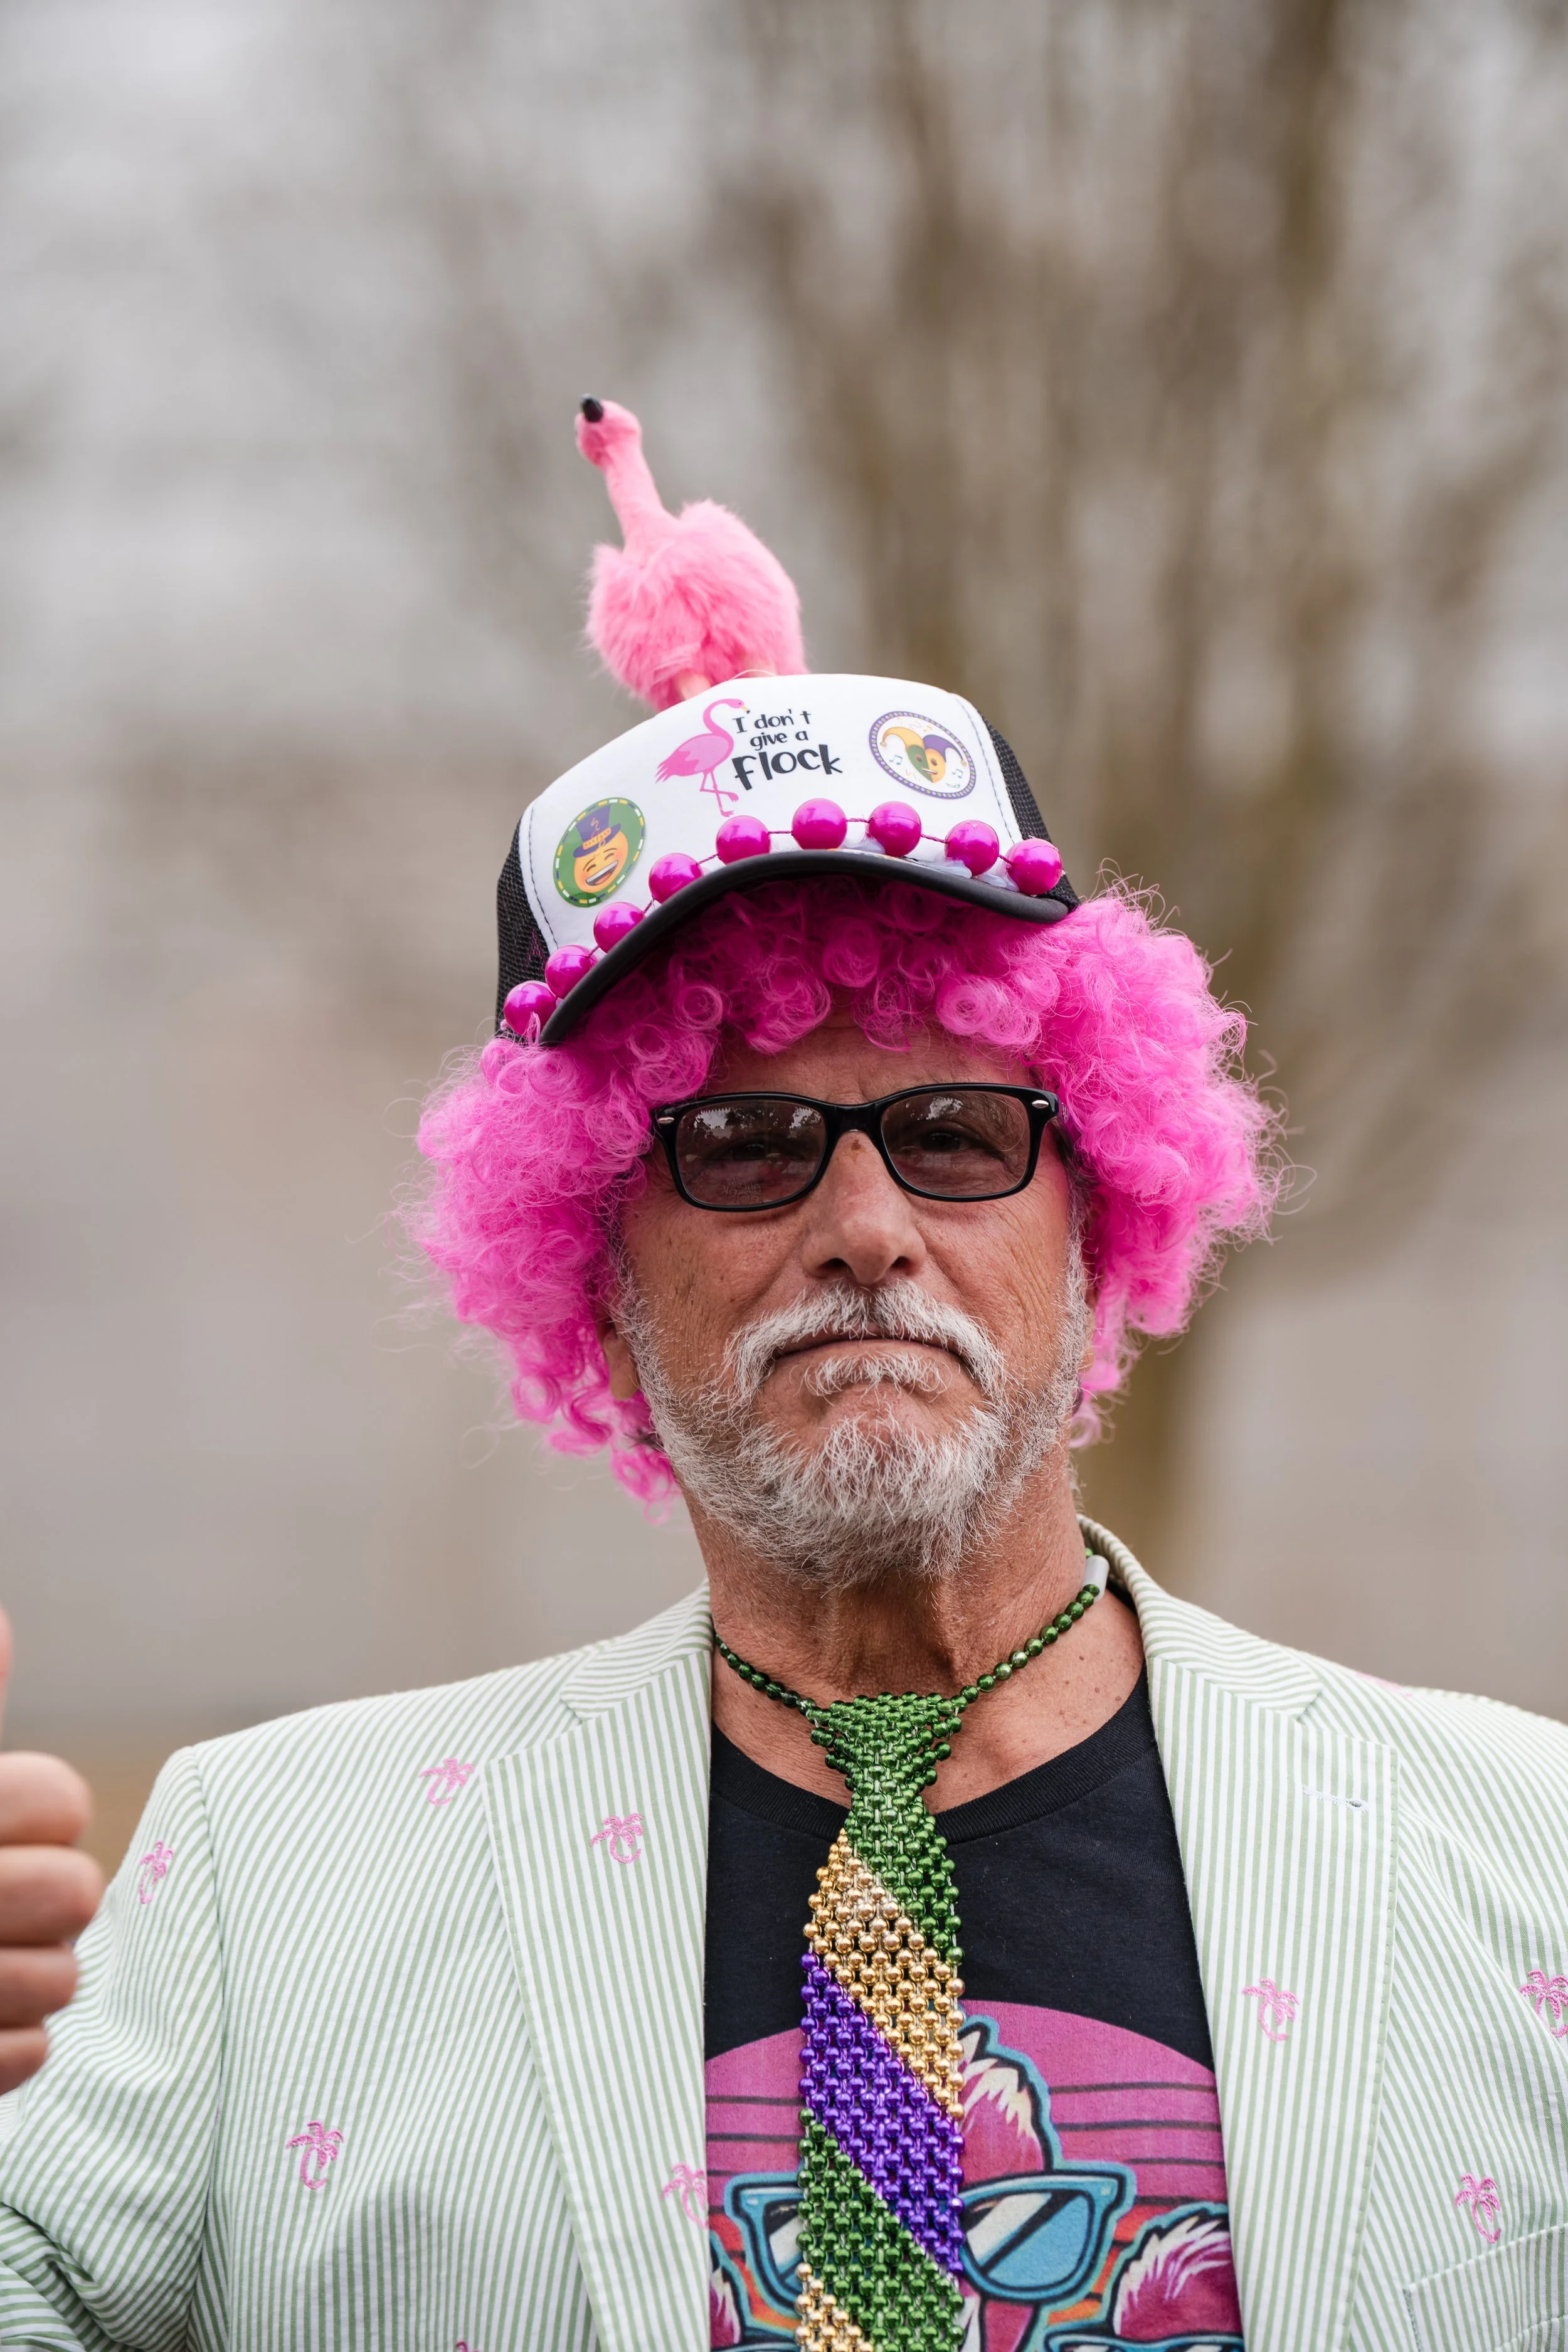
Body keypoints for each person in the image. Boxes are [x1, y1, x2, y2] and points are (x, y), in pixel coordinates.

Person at [0, 401, 1564, 2352]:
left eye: (957, 1131)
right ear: (591, 1247)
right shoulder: (264, 1884)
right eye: (742, 1143)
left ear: (1096, 1199)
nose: (865, 1225)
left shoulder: (1524, 1865)